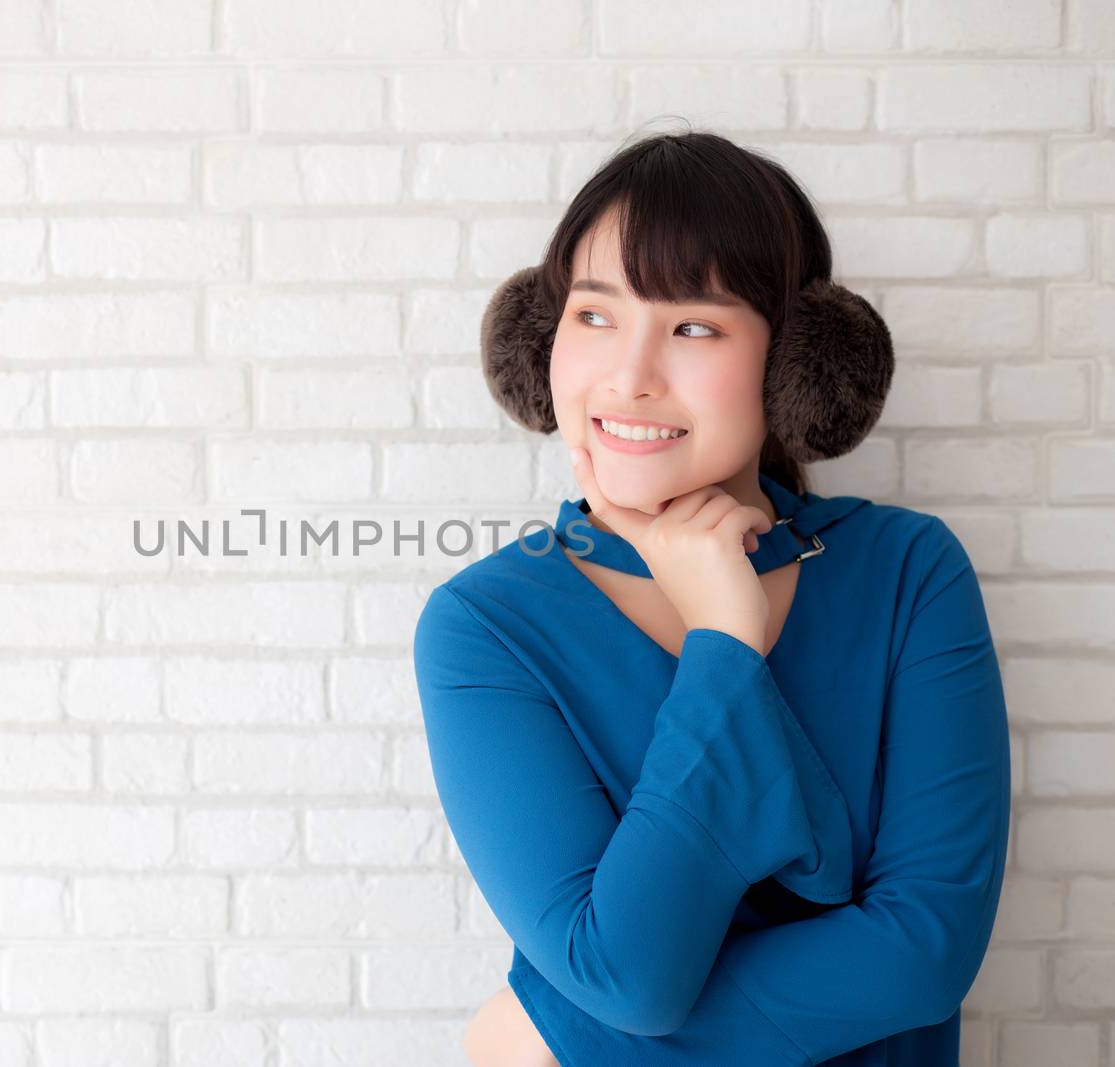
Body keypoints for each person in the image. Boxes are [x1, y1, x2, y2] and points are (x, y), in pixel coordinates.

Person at [413, 129, 1011, 1066]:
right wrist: (726, 643)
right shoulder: (487, 625)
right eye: (596, 315)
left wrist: (556, 1026)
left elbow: (924, 957)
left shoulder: (907, 572)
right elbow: (632, 978)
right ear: (544, 342)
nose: (629, 374)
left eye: (695, 326)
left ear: (794, 366)